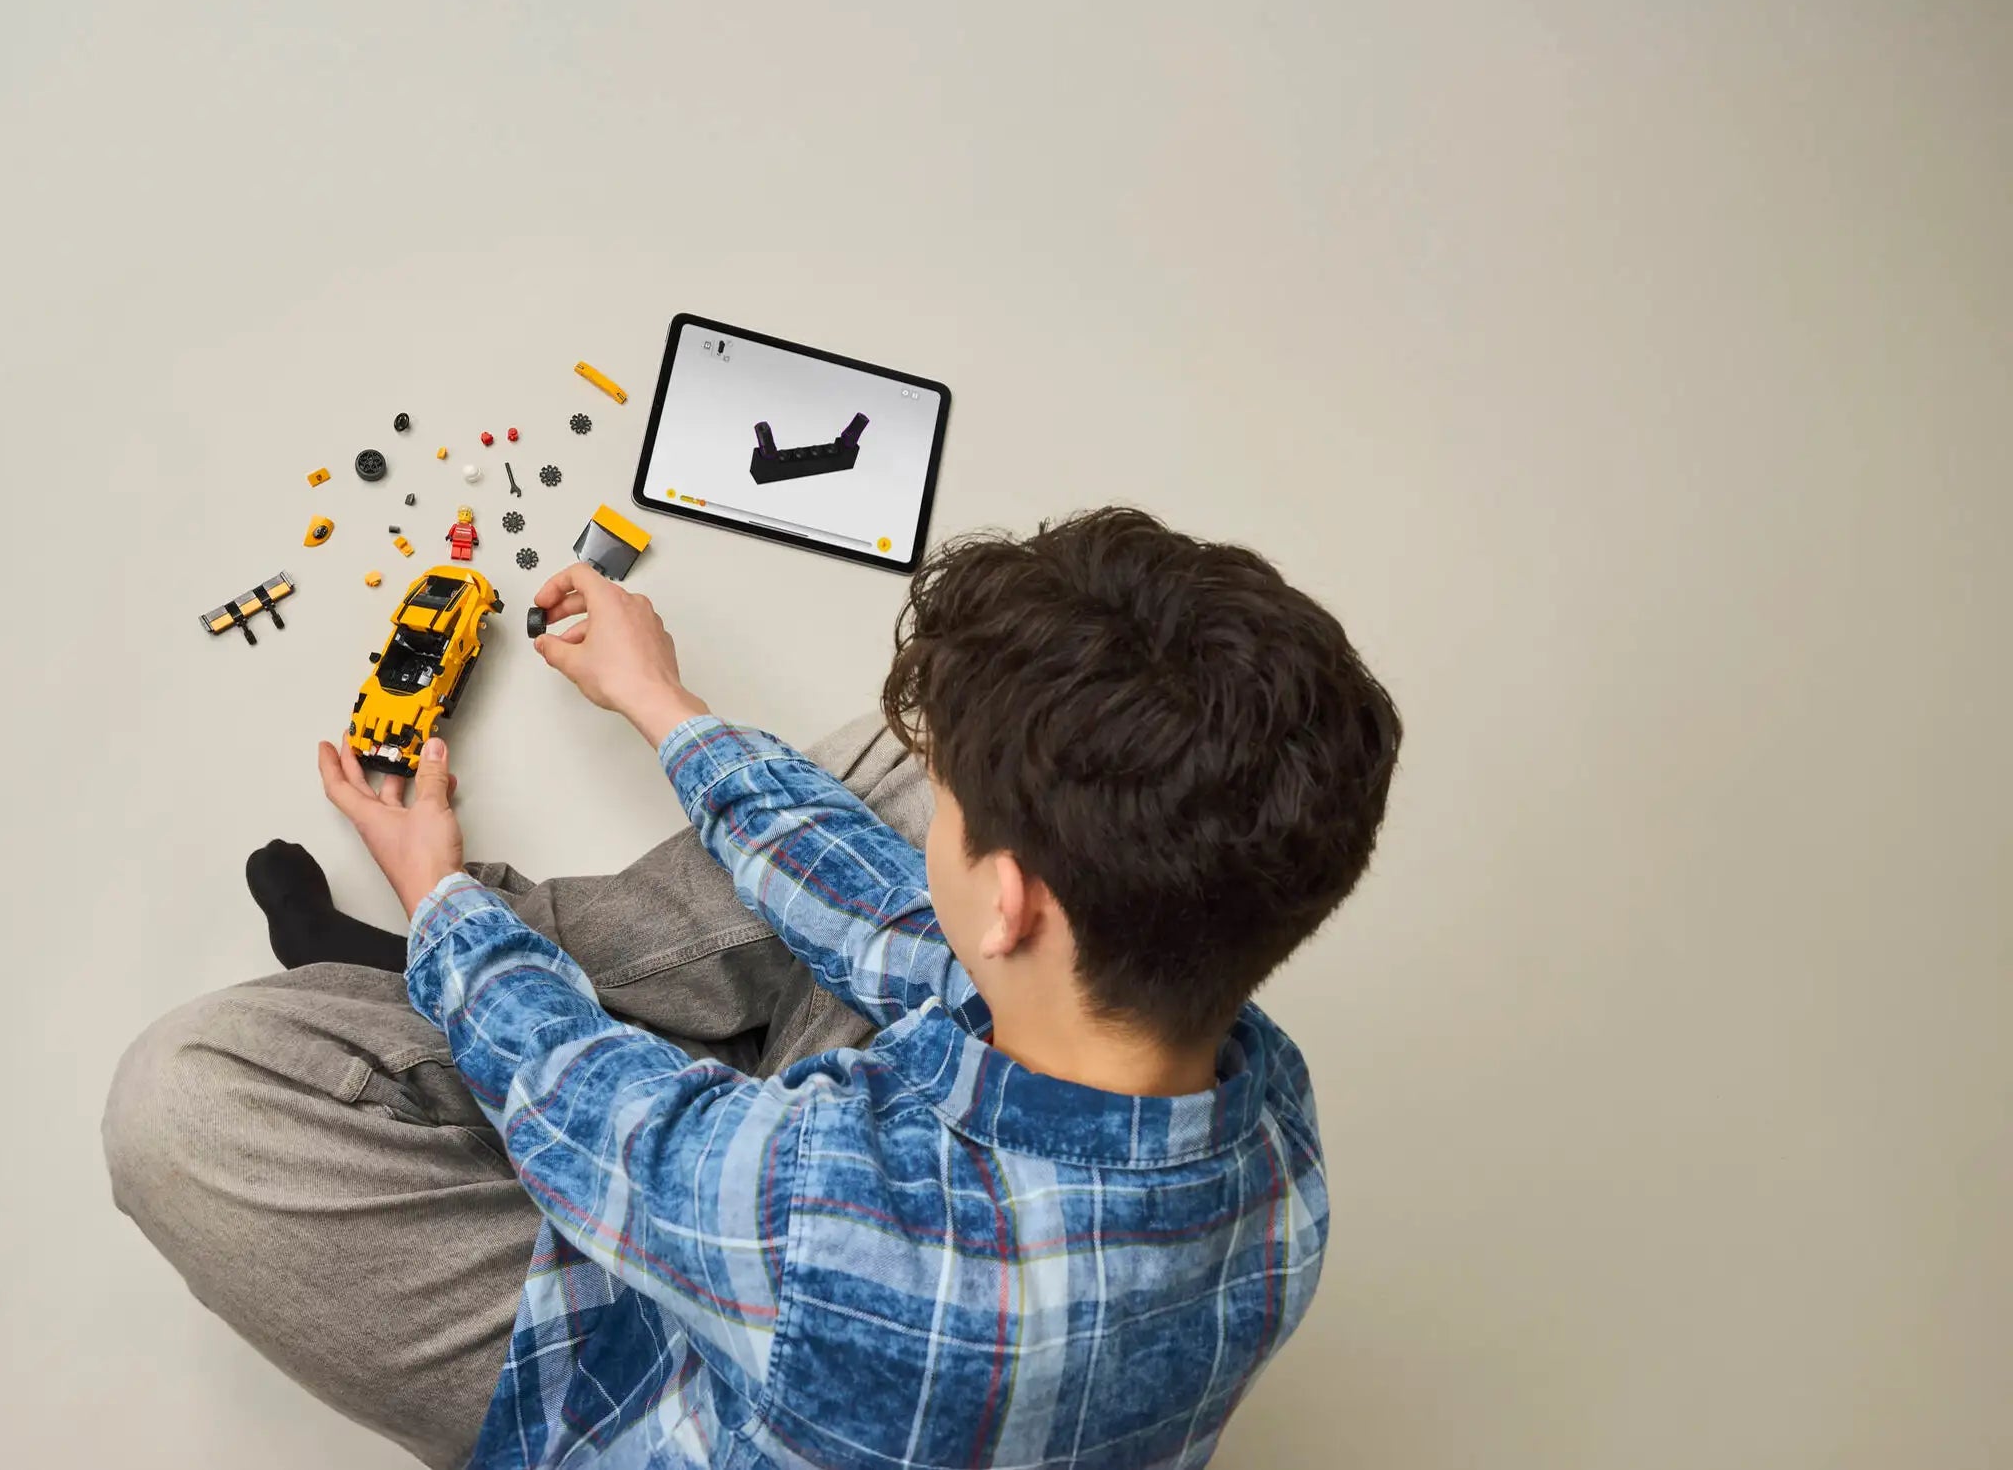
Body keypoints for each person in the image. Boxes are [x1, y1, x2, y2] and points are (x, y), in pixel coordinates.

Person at [104, 507, 1402, 1467]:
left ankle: (451, 955)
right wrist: (662, 704)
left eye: (963, 820)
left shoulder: (823, 1215)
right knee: (887, 794)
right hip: (880, 1293)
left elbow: (599, 1108)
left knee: (188, 1105)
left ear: (1009, 904)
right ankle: (521, 964)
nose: (936, 812)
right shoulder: (1271, 1115)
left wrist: (438, 887)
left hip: (707, 1339)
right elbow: (907, 929)